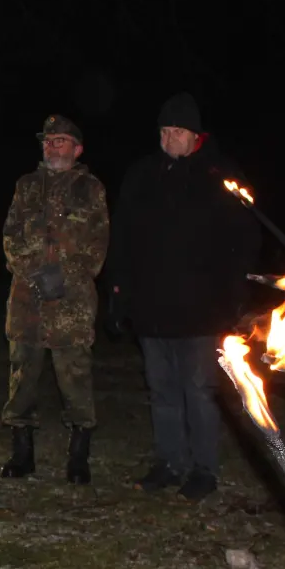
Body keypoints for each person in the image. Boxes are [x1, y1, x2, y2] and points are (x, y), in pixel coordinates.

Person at [106, 93, 258, 500]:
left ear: (196, 136)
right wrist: (119, 291)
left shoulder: (219, 175)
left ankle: (203, 468)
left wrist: (233, 299)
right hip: (152, 307)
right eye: (164, 131)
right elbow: (122, 236)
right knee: (161, 390)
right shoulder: (141, 175)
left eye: (178, 131)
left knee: (199, 390)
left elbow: (242, 241)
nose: (170, 138)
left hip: (201, 310)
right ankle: (169, 461)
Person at [0, 114, 110, 484]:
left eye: (60, 141)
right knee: (22, 376)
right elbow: (10, 236)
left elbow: (98, 245)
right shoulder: (26, 186)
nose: (52, 146)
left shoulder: (90, 189)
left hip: (71, 301)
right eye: (48, 141)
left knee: (75, 378)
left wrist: (65, 275)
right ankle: (22, 453)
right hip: (27, 298)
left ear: (77, 149)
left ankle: (78, 457)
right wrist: (33, 271)